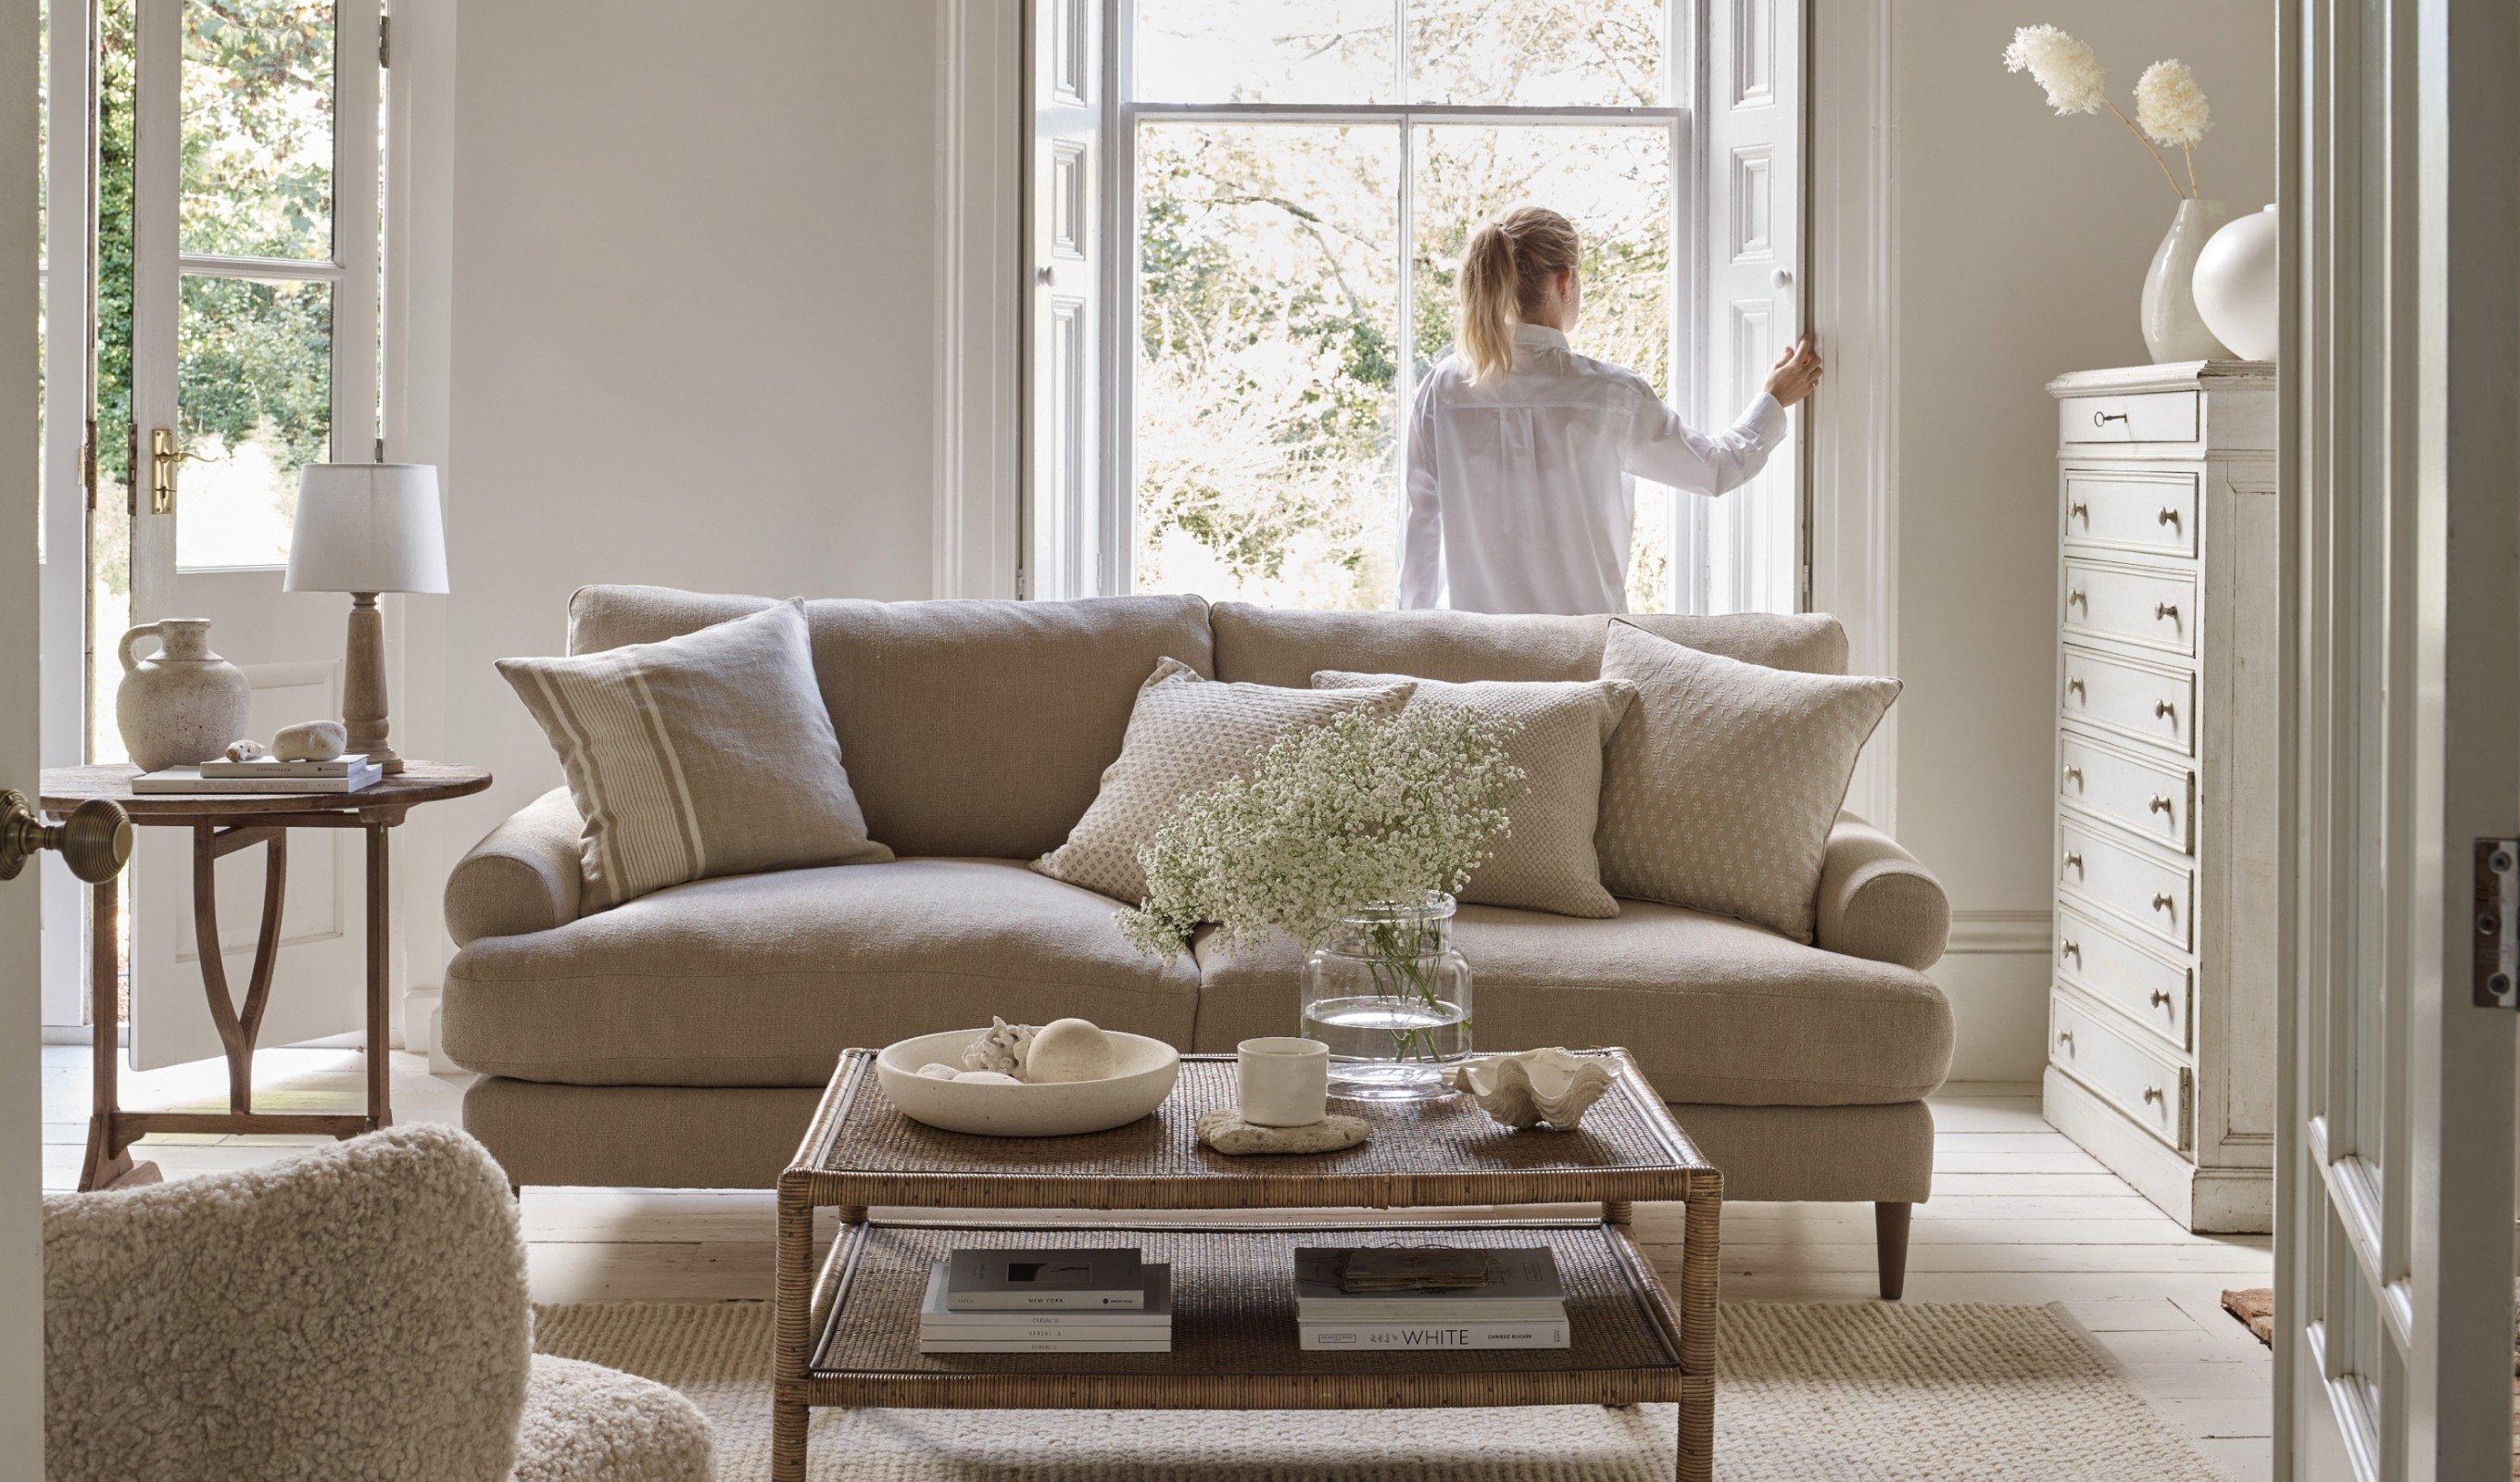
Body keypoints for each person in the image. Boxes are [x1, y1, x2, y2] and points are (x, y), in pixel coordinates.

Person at [1399, 205, 1824, 615]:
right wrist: (1772, 399)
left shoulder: (1443, 389)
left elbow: (1422, 532)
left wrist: (1418, 656)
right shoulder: (1609, 395)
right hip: (1585, 658)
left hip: (1475, 663)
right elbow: (1715, 468)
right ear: (1565, 283)